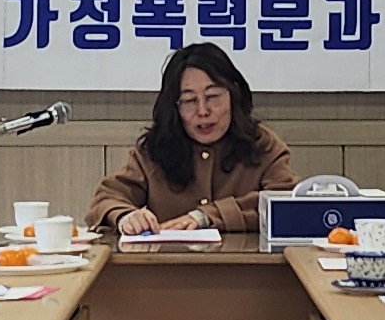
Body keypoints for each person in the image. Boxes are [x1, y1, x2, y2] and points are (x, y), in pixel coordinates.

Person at [94, 41, 296, 235]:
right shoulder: (155, 148)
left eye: (212, 97)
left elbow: (287, 204)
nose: (203, 111)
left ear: (234, 95)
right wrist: (126, 217)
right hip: (168, 260)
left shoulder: (261, 144)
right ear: (174, 107)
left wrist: (207, 216)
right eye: (189, 100)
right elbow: (108, 198)